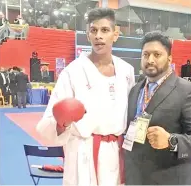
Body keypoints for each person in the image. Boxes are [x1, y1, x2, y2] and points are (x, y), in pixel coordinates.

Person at [36, 8, 135, 186]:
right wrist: (62, 122)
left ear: (115, 34)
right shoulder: (72, 72)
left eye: (105, 30)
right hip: (83, 153)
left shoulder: (127, 71)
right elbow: (49, 122)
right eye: (93, 30)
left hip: (117, 153)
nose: (98, 36)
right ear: (88, 35)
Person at [124, 31, 191, 185]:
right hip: (137, 178)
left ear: (169, 58)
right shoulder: (135, 90)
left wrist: (171, 140)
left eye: (157, 55)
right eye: (146, 55)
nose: (150, 60)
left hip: (171, 179)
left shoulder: (189, 91)